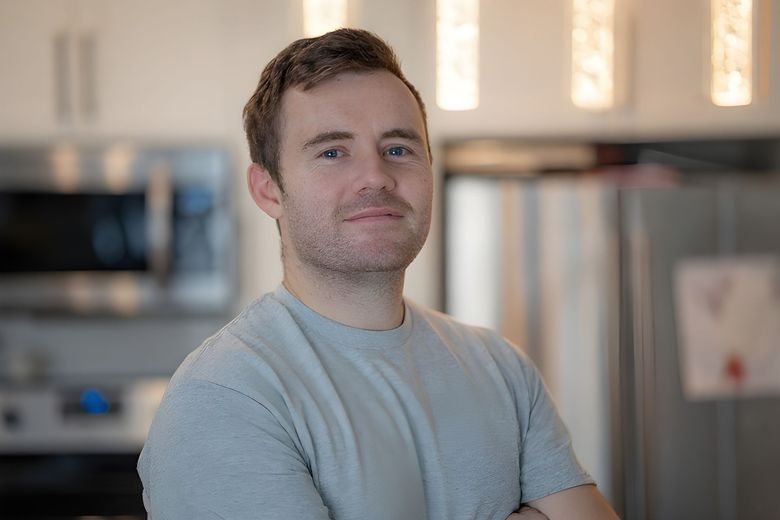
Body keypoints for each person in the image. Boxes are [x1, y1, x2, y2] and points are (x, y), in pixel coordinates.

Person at [137, 28, 619, 520]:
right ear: (268, 190)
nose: (375, 176)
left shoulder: (500, 367)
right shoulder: (227, 395)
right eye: (332, 152)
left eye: (397, 149)